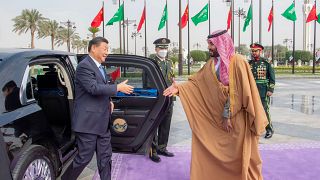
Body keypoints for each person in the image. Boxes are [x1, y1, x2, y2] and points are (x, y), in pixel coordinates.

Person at [163, 30, 268, 180]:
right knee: (208, 146)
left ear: (222, 43)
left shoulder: (237, 61)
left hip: (236, 120)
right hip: (220, 119)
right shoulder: (212, 64)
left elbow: (238, 91)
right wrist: (179, 88)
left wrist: (227, 115)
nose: (209, 47)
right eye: (208, 43)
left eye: (211, 44)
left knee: (238, 156)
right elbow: (197, 83)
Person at [62, 37, 134, 180]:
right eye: (105, 49)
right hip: (88, 123)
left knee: (105, 157)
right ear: (93, 48)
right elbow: (93, 88)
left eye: (108, 49)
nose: (107, 52)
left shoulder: (100, 67)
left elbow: (103, 88)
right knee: (84, 158)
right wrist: (118, 88)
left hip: (102, 122)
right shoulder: (84, 66)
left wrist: (109, 101)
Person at [149, 37, 175, 163]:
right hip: (156, 99)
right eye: (161, 48)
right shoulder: (151, 63)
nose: (163, 50)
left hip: (169, 99)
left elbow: (172, 79)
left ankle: (162, 147)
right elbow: (147, 82)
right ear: (156, 49)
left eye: (165, 48)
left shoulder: (169, 62)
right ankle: (152, 151)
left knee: (166, 124)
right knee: (154, 125)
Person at [249, 43, 275, 139]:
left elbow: (272, 77)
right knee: (252, 110)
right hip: (252, 90)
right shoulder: (249, 63)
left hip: (263, 90)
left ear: (260, 51)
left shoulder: (266, 63)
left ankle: (269, 129)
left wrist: (270, 89)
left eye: (256, 51)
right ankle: (255, 128)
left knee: (265, 110)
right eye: (252, 51)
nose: (254, 53)